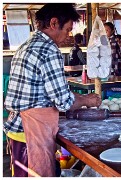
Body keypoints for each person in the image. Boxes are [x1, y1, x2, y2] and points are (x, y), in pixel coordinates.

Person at [3, 3, 101, 177]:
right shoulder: (48, 49)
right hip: (31, 133)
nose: (68, 35)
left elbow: (53, 92)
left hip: (18, 127)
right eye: (68, 29)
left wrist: (79, 96)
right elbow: (63, 101)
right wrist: (87, 101)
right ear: (54, 23)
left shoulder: (27, 44)